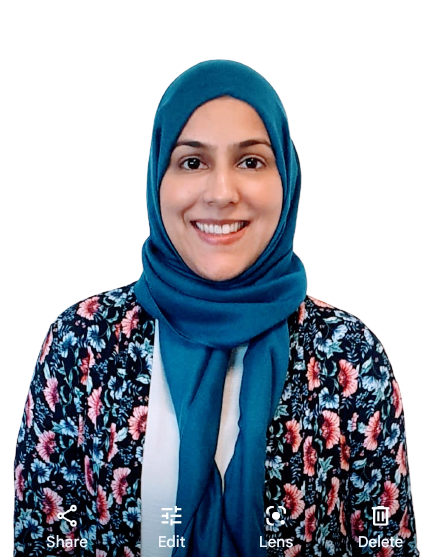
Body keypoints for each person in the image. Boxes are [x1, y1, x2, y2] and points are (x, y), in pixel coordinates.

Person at [13, 59, 419, 556]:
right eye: (192, 162)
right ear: (156, 177)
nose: (222, 193)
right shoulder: (83, 344)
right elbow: (46, 540)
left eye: (251, 161)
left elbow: (386, 545)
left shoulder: (350, 354)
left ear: (286, 177)